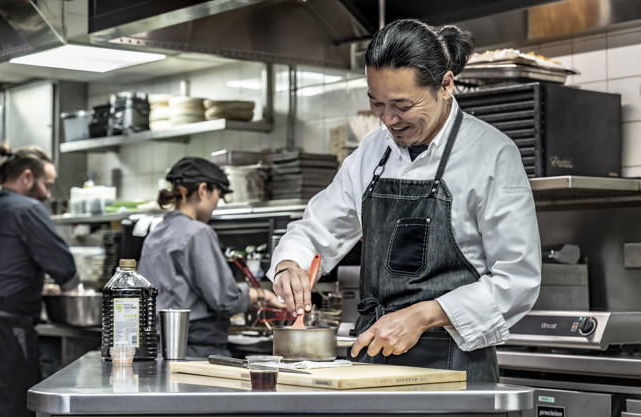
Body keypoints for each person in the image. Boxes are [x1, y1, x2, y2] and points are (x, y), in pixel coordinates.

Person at [267, 18, 541, 383]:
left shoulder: (491, 154)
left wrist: (423, 316)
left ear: (446, 85)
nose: (389, 119)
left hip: (452, 367)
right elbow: (317, 230)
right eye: (376, 104)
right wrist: (290, 265)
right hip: (371, 362)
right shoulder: (371, 151)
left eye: (402, 105)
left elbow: (517, 280)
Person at [0, 144, 80, 417]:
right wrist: (71, 287)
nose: (48, 194)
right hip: (6, 330)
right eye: (46, 185)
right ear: (27, 177)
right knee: (14, 410)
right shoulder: (26, 209)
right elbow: (62, 265)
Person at [137, 156, 285, 358]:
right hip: (197, 348)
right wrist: (262, 295)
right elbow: (224, 299)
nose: (217, 203)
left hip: (158, 347)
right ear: (203, 190)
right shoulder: (198, 232)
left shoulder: (155, 233)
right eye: (218, 194)